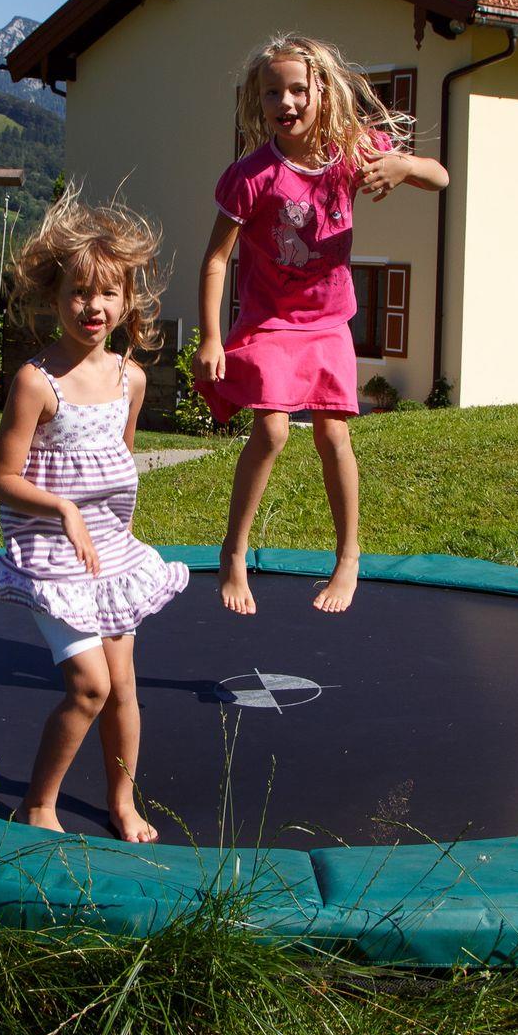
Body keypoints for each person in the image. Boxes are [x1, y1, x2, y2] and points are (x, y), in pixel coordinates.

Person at [0, 190, 189, 842]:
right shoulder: (37, 381)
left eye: (108, 293)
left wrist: (108, 526)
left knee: (124, 688)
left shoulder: (130, 379)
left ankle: (122, 802)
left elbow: (119, 460)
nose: (94, 307)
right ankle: (38, 803)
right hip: (51, 554)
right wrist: (61, 508)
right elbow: (2, 479)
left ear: (127, 300)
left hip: (108, 553)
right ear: (53, 298)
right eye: (79, 293)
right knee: (89, 687)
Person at [195, 33, 449, 615]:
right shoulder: (252, 175)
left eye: (297, 91)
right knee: (272, 431)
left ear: (322, 92)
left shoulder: (353, 152)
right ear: (257, 101)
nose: (285, 103)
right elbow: (215, 260)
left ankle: (348, 556)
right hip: (270, 322)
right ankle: (234, 551)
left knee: (334, 435)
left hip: (328, 322)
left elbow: (440, 177)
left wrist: (404, 165)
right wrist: (211, 335)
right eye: (272, 93)